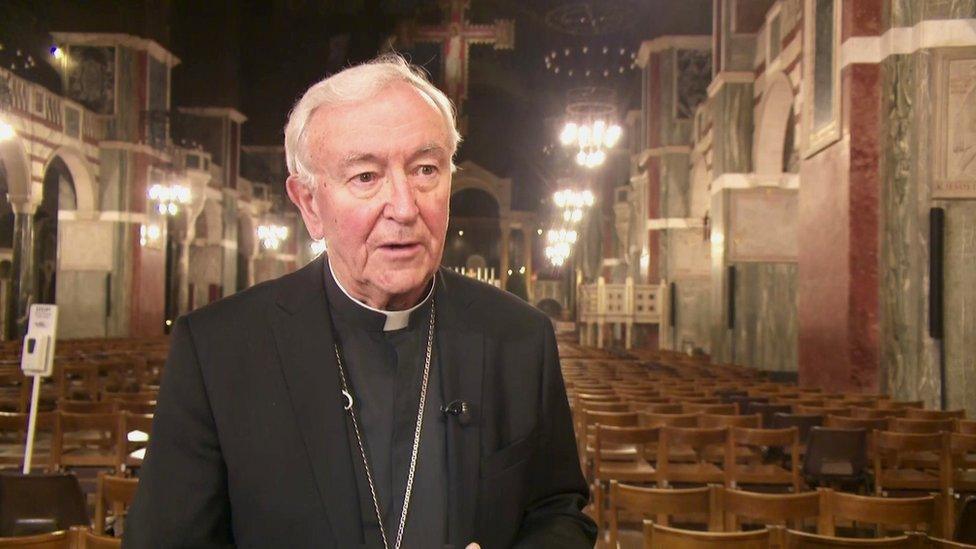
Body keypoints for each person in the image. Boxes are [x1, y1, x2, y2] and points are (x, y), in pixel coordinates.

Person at [124, 54, 596, 549]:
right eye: (366, 177)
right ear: (309, 203)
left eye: (426, 169)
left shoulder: (520, 336)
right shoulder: (217, 350)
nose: (405, 206)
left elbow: (558, 511)